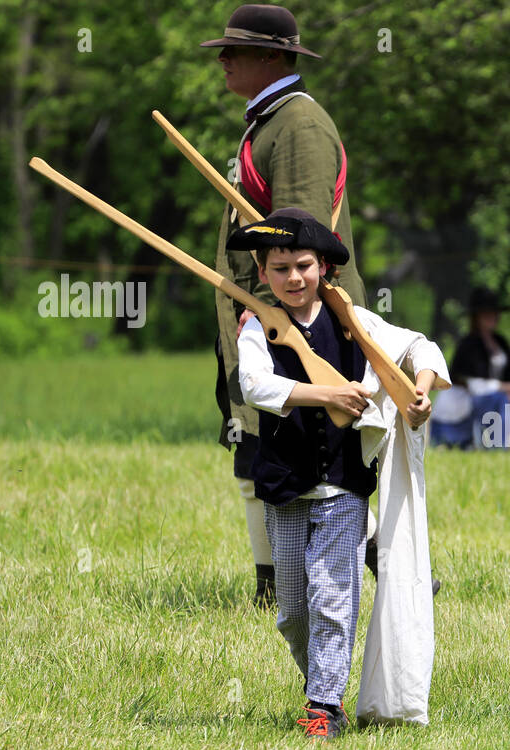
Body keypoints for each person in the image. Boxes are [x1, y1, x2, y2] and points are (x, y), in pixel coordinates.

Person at [232, 209, 449, 738]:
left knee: (332, 595)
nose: (294, 278)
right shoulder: (259, 327)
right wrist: (327, 393)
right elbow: (255, 386)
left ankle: (323, 707)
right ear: (263, 273)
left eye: (303, 265)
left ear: (323, 267)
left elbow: (422, 348)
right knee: (292, 610)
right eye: (280, 268)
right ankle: (324, 686)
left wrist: (416, 390)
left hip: (342, 488)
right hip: (284, 488)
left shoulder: (354, 321)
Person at [201, 3, 367, 606]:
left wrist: (279, 321)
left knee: (320, 461)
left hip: (293, 323)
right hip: (263, 317)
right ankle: (274, 583)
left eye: (234, 50)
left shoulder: (298, 125)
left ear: (272, 57)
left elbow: (300, 243)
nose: (222, 60)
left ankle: (385, 568)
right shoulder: (269, 120)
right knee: (257, 447)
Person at [435, 287, 510, 448]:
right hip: (465, 402)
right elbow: (475, 386)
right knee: (502, 400)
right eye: (487, 313)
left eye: (494, 312)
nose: (492, 317)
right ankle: (501, 445)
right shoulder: (468, 345)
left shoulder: (500, 342)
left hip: (495, 395)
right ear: (476, 317)